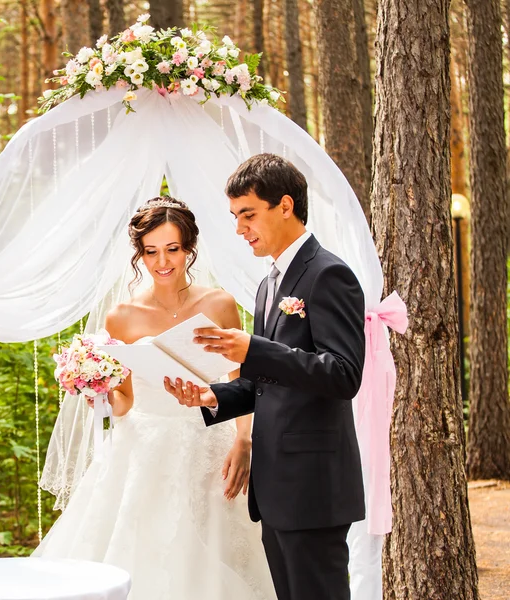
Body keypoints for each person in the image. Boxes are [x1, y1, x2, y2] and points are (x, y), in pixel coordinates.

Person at [34, 197, 277, 600]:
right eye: (150, 252)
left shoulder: (219, 303)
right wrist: (94, 388)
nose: (162, 261)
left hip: (209, 442)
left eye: (172, 249)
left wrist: (244, 440)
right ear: (139, 255)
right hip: (141, 449)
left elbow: (242, 381)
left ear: (189, 250)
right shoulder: (121, 316)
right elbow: (126, 401)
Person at [164, 154, 366, 600]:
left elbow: (344, 374)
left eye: (248, 214)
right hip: (275, 486)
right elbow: (267, 382)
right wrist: (211, 396)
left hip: (314, 485)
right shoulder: (268, 283)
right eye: (236, 217)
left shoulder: (329, 274)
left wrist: (255, 349)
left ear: (286, 206)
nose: (240, 229)